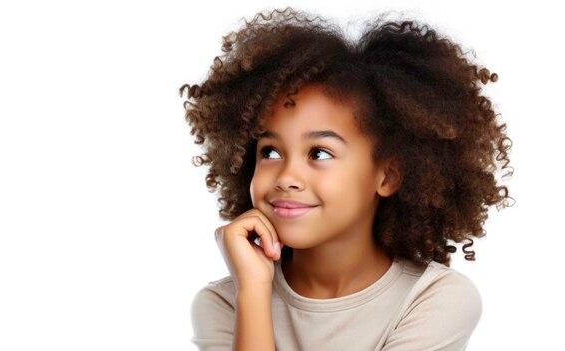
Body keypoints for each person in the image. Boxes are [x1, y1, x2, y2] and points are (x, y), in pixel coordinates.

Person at [179, 6, 513, 351]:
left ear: (388, 176)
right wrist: (252, 291)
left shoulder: (434, 298)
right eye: (270, 152)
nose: (287, 177)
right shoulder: (225, 303)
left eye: (319, 153)